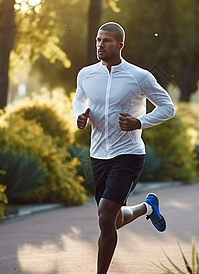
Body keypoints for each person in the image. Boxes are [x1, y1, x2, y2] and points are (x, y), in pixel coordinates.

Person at [72, 22, 175, 274]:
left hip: (128, 155)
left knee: (105, 216)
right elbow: (78, 99)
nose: (100, 45)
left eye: (106, 41)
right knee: (113, 219)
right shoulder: (86, 74)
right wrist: (79, 116)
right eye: (98, 40)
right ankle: (147, 208)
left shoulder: (139, 76)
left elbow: (167, 108)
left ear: (120, 45)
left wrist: (140, 122)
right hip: (98, 155)